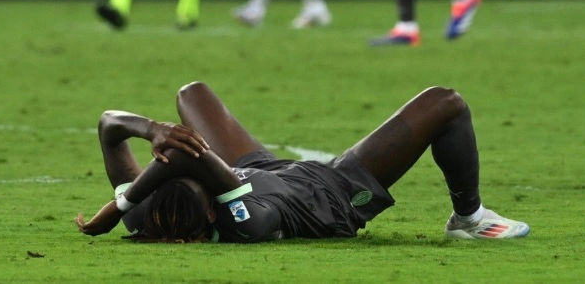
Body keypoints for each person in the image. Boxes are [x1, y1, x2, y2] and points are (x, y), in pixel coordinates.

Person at [74, 82, 530, 242]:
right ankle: (468, 217)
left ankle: (469, 217)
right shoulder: (245, 223)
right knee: (446, 103)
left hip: (258, 170)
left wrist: (150, 129)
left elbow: (107, 124)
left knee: (190, 94)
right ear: (215, 210)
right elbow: (188, 161)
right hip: (327, 191)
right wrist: (116, 206)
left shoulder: (144, 214)